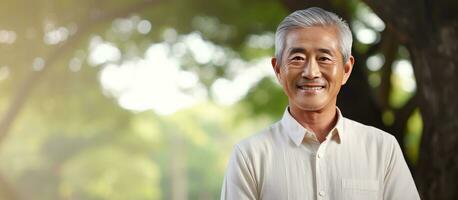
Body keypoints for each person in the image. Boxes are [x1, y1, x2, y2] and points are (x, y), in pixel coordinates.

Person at [220, 7, 420, 200]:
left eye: (324, 58)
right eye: (297, 58)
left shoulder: (382, 148)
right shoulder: (250, 156)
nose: (311, 72)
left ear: (347, 70)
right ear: (278, 69)